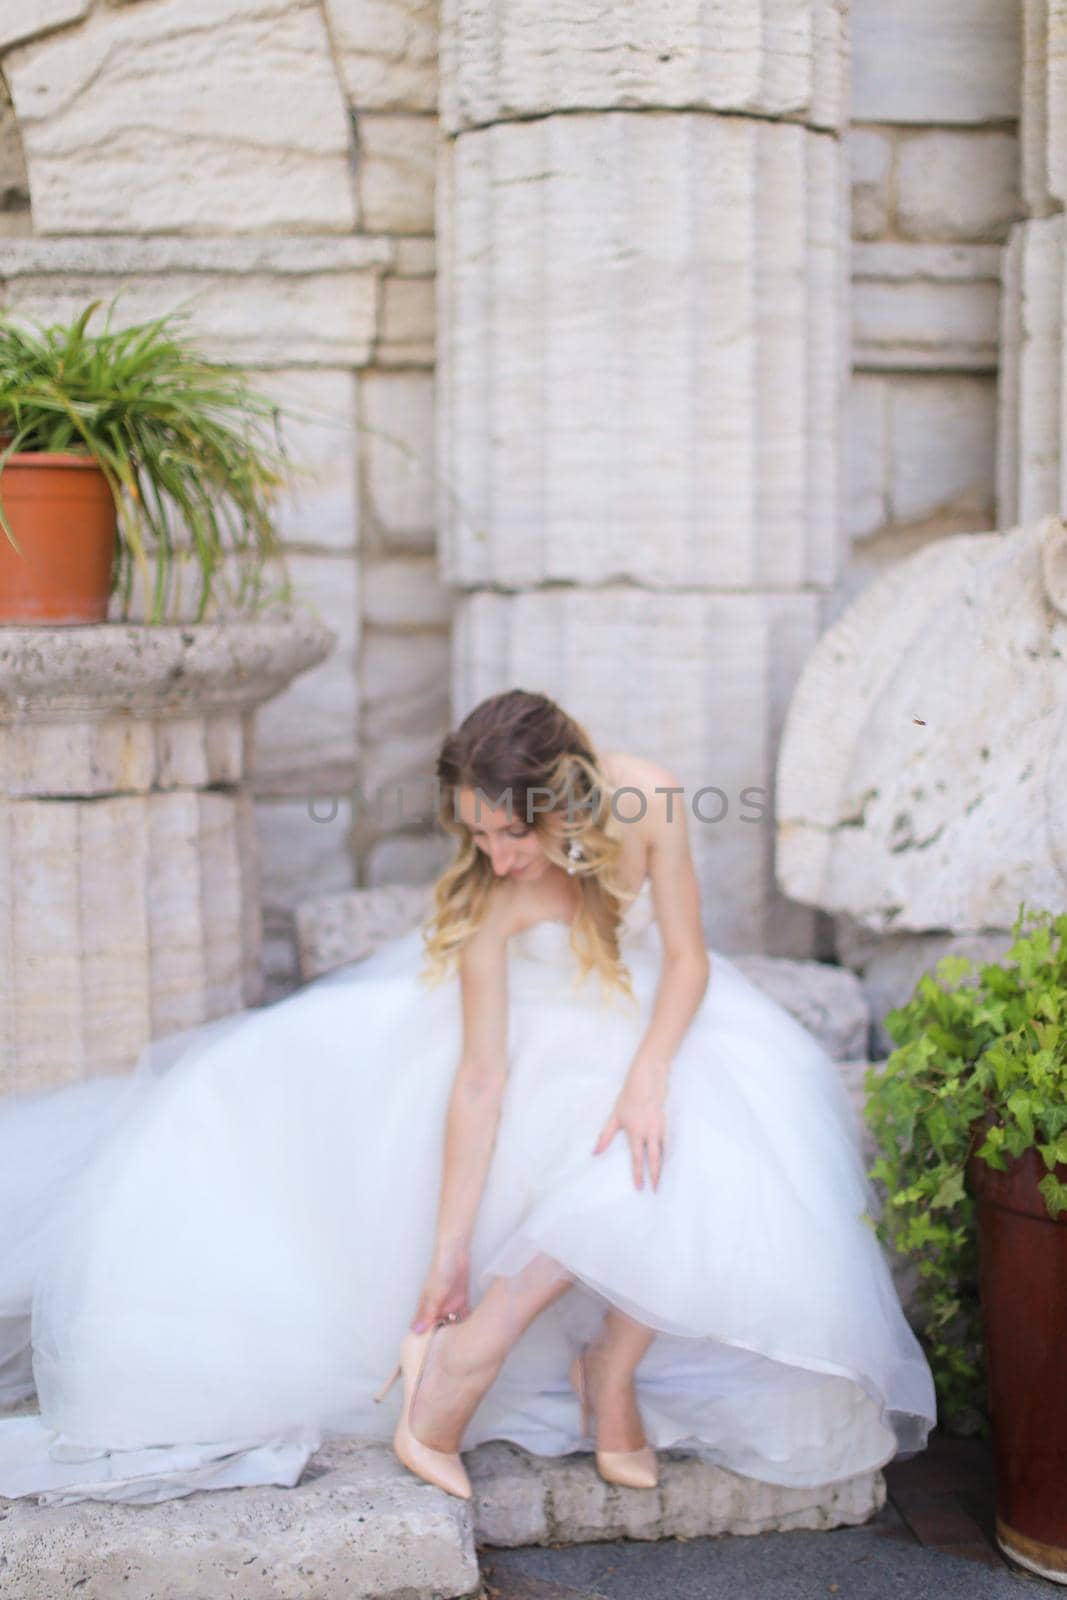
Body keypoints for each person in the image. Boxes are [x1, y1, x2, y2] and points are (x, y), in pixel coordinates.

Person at [0, 689, 936, 1507]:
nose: (493, 853)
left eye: (510, 831)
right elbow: (481, 1083)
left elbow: (687, 956)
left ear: (565, 797)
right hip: (532, 1015)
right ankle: (491, 1342)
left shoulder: (644, 794)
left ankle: (607, 1359)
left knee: (695, 1101)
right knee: (589, 1118)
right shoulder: (494, 906)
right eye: (474, 832)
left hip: (645, 995)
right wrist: (448, 1259)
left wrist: (648, 1072)